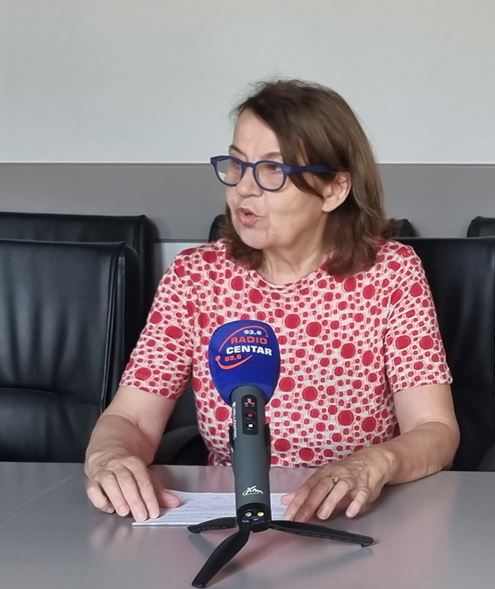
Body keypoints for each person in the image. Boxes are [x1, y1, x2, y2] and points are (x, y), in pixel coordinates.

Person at [85, 79, 459, 522]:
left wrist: (374, 463)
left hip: (356, 515)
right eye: (237, 165)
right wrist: (109, 458)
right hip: (234, 516)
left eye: (271, 171)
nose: (244, 189)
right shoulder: (196, 276)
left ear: (334, 190)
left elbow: (434, 429)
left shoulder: (391, 273)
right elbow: (132, 419)